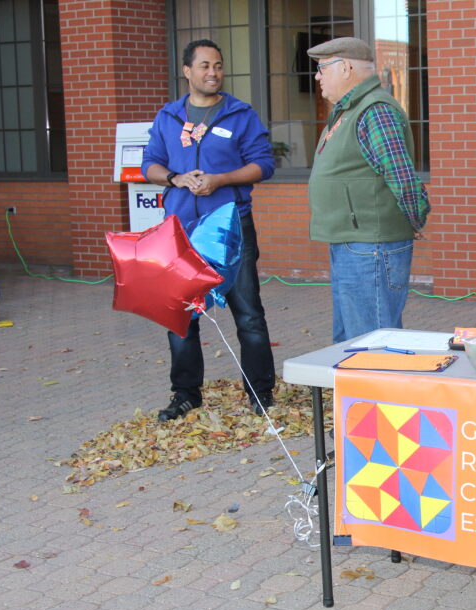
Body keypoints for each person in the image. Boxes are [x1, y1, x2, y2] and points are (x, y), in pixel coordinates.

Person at [142, 39, 276, 421]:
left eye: (218, 65)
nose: (213, 72)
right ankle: (186, 394)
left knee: (248, 313)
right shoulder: (168, 117)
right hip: (181, 231)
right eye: (204, 66)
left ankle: (260, 392)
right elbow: (149, 164)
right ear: (187, 71)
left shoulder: (240, 115)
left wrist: (220, 180)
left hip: (230, 227)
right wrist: (176, 178)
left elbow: (264, 165)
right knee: (181, 315)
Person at [306, 37, 430, 344]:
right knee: (352, 341)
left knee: (372, 343)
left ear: (345, 68)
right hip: (355, 242)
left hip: (369, 246)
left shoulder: (374, 110)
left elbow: (401, 176)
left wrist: (414, 219)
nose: (317, 77)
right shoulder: (351, 110)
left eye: (322, 68)